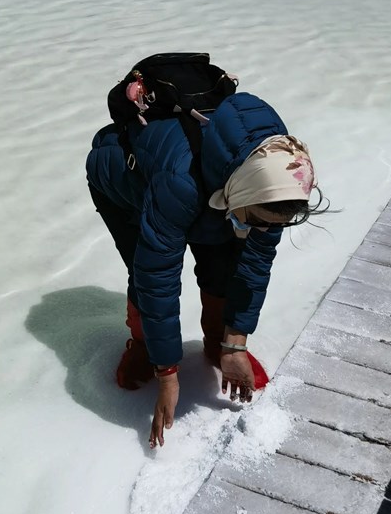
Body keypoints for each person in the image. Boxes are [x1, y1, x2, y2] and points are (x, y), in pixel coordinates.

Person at [86, 71, 323, 449]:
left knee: (226, 262)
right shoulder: (180, 183)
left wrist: (235, 343)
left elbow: (253, 268)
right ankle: (143, 345)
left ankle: (216, 342)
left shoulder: (278, 185)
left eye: (272, 224)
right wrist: (167, 374)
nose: (264, 230)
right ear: (237, 194)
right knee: (142, 268)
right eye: (258, 220)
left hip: (215, 189)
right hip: (124, 182)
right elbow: (157, 277)